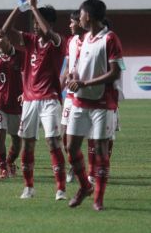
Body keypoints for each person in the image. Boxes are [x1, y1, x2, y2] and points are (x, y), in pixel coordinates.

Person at [2, 0, 67, 201]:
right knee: (27, 144)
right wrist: (19, 7)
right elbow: (4, 31)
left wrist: (34, 8)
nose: (35, 26)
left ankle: (61, 189)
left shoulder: (58, 41)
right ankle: (28, 187)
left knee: (52, 142)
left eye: (37, 22)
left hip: (49, 99)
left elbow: (48, 32)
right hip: (30, 101)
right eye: (34, 23)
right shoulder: (29, 40)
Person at [66, 0, 123, 211]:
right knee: (71, 148)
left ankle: (98, 198)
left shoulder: (109, 38)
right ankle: (84, 186)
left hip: (102, 102)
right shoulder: (82, 39)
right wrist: (73, 76)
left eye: (80, 14)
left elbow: (115, 72)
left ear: (88, 16)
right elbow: (78, 68)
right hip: (80, 101)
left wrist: (85, 82)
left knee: (100, 151)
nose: (78, 18)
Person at [0, 29, 24, 179]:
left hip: (17, 104)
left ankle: (10, 162)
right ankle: (2, 168)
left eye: (0, 37)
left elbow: (28, 76)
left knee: (17, 140)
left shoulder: (21, 56)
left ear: (8, 39)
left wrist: (25, 93)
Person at [62, 10, 85, 183]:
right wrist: (61, 83)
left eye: (72, 22)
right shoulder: (71, 41)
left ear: (80, 22)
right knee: (64, 134)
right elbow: (68, 67)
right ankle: (73, 165)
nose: (70, 25)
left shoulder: (92, 41)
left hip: (87, 95)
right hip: (70, 95)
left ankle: (88, 172)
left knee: (90, 137)